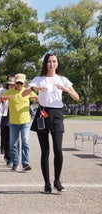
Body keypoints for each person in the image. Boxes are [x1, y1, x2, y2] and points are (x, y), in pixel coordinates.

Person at [22, 53, 79, 193]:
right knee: (45, 151)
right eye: (49, 61)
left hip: (57, 114)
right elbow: (24, 94)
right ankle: (47, 183)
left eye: (54, 61)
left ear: (58, 63)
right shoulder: (38, 79)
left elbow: (76, 97)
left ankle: (57, 181)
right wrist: (34, 88)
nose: (52, 64)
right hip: (43, 113)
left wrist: (66, 89)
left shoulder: (63, 79)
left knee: (58, 149)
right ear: (45, 64)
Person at [0, 73, 37, 172]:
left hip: (25, 121)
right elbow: (0, 99)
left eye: (21, 83)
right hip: (13, 122)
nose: (19, 85)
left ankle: (25, 163)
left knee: (25, 141)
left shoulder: (27, 91)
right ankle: (15, 162)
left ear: (24, 83)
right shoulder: (9, 92)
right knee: (13, 143)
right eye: (17, 83)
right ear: (14, 83)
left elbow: (37, 98)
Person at [0, 75, 16, 166]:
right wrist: (3, 98)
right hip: (5, 116)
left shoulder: (18, 92)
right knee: (7, 138)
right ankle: (9, 157)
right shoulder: (3, 92)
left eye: (13, 84)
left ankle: (13, 157)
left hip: (16, 116)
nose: (11, 86)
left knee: (14, 139)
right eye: (10, 84)